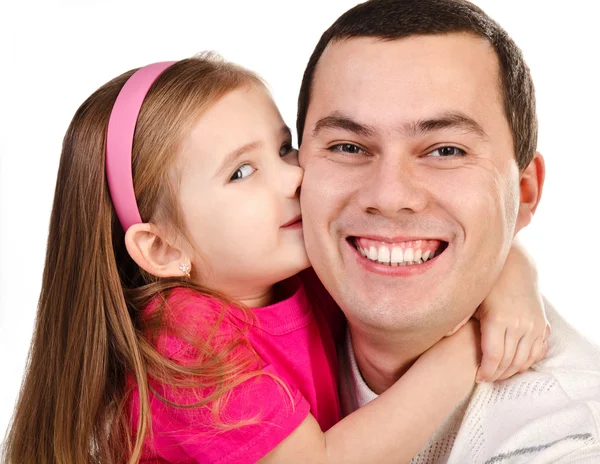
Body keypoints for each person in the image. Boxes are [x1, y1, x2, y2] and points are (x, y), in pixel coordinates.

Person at [2, 53, 548, 464]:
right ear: (163, 248)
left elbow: (464, 238)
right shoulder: (183, 338)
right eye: (242, 172)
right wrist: (469, 348)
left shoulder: (295, 269)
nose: (293, 177)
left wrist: (513, 280)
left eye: (284, 147)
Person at [294, 0, 600, 462]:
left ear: (525, 192)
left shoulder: (564, 438)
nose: (390, 195)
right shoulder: (235, 308)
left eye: (446, 151)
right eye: (348, 145)